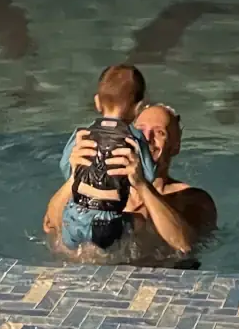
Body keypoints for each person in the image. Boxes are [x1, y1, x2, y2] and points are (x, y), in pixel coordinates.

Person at [43, 102, 216, 265]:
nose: (147, 138)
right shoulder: (99, 190)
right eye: (141, 131)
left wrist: (142, 185)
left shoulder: (192, 198)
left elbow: (184, 246)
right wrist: (76, 176)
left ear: (175, 146)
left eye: (159, 133)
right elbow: (52, 226)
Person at [54, 64, 156, 254]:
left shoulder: (81, 134)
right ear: (139, 108)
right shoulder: (134, 138)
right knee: (141, 222)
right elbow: (149, 176)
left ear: (97, 102)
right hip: (109, 224)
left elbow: (67, 169)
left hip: (74, 215)